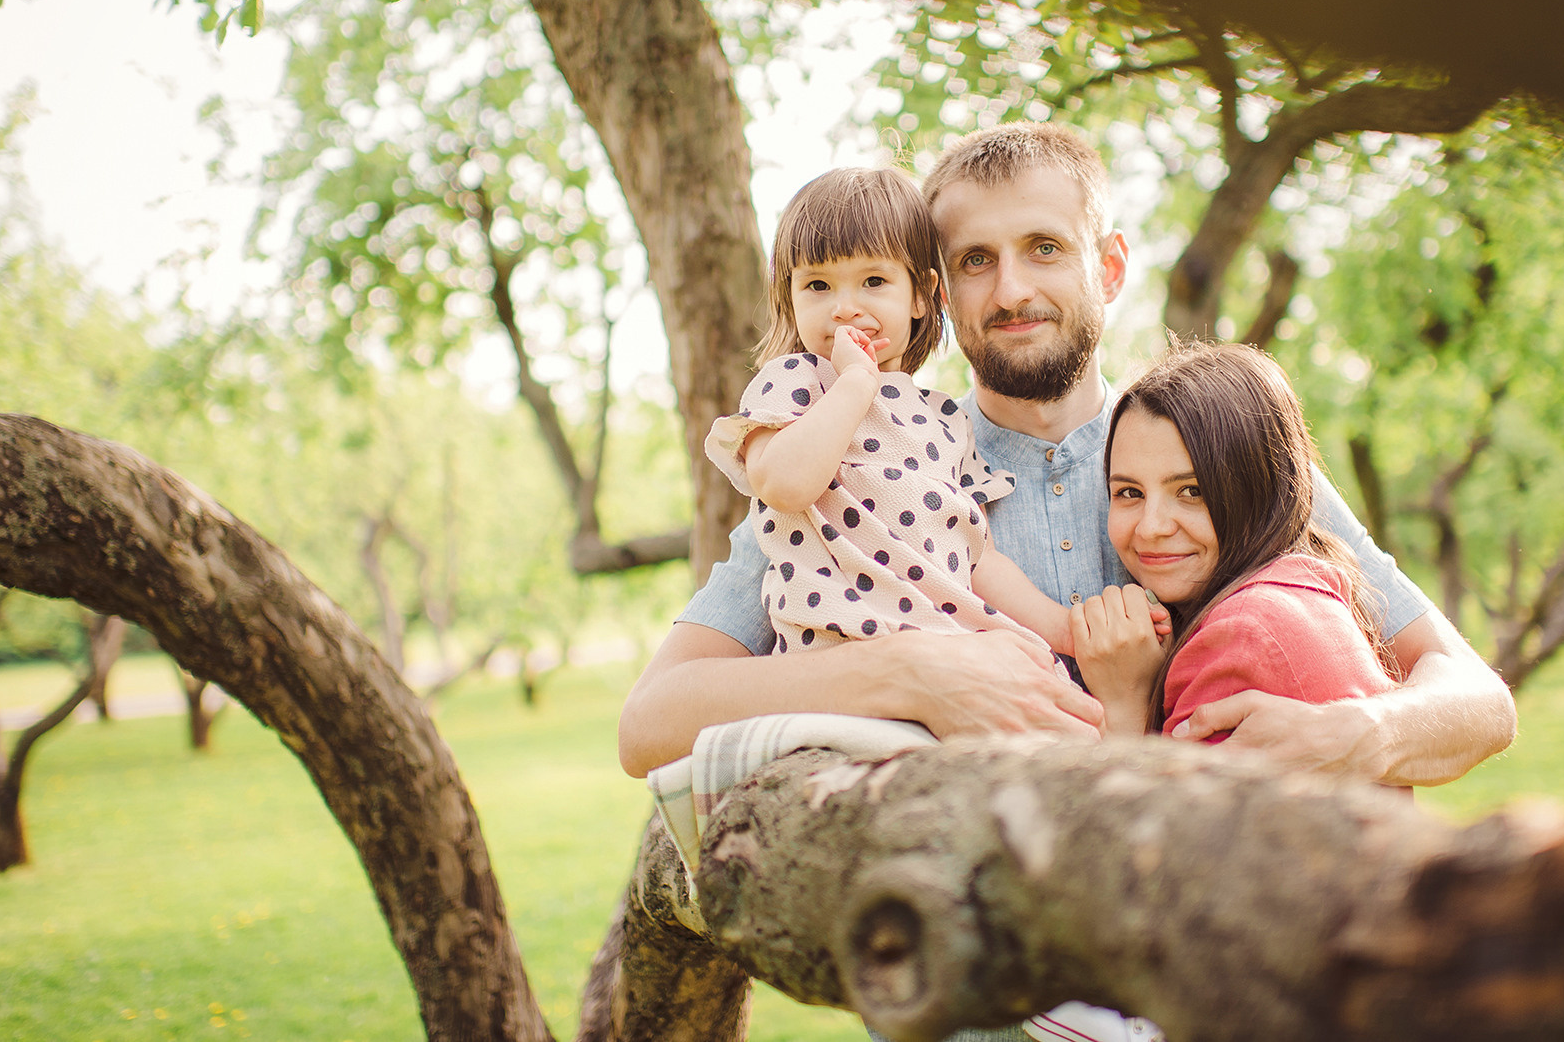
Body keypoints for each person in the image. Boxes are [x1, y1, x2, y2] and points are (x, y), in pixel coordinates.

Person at [620, 122, 1515, 794]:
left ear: (1111, 266)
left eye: (1044, 248)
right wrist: (910, 672)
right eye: (976, 260)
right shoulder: (849, 472)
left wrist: (1363, 734)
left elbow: (1478, 698)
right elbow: (650, 724)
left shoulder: (1224, 446)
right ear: (937, 290)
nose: (1011, 290)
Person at [706, 165, 1131, 657]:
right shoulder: (796, 387)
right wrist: (855, 384)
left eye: (872, 280)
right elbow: (783, 485)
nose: (844, 307)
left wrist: (1062, 633)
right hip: (835, 662)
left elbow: (977, 555)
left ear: (924, 297)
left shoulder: (944, 421)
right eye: (817, 286)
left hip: (949, 655)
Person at [1068, 343, 1400, 745]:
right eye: (1129, 493)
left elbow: (1161, 810)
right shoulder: (1300, 594)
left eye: (1191, 490)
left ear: (1258, 490)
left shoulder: (1241, 637)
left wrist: (1125, 705)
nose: (1151, 527)